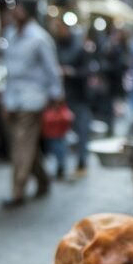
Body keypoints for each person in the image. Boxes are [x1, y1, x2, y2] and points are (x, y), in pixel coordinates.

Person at [0, 0, 63, 207]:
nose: (14, 12)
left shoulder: (39, 38)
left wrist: (56, 95)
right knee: (26, 144)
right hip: (14, 99)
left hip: (33, 98)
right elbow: (9, 73)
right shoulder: (10, 35)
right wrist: (5, 100)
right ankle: (43, 180)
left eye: (18, 8)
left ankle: (17, 190)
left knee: (21, 143)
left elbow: (51, 70)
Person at [54, 20, 91, 178]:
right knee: (58, 131)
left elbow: (87, 71)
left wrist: (71, 72)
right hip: (61, 98)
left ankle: (82, 161)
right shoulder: (55, 47)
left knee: (81, 130)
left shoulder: (79, 48)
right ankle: (61, 164)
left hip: (79, 96)